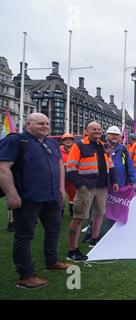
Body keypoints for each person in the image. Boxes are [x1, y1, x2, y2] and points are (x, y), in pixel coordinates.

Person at [0, 112, 71, 289]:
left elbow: (60, 165)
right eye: (40, 124)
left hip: (51, 197)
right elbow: (3, 167)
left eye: (47, 123)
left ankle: (52, 261)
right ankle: (26, 276)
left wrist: (61, 189)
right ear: (28, 124)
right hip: (28, 198)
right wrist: (11, 194)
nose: (45, 126)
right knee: (24, 235)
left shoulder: (53, 143)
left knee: (53, 230)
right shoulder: (16, 140)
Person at [66, 122, 119, 261]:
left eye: (99, 129)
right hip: (86, 187)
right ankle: (73, 251)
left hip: (102, 186)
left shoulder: (103, 145)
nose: (97, 131)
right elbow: (70, 168)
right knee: (79, 217)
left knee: (99, 213)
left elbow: (110, 165)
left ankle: (94, 239)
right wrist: (81, 186)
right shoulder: (79, 145)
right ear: (86, 131)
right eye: (93, 129)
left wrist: (114, 181)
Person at [100, 126, 136, 236]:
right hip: (103, 184)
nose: (114, 137)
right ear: (107, 135)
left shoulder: (123, 149)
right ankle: (100, 234)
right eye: (112, 134)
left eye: (116, 135)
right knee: (101, 209)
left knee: (117, 209)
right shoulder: (101, 148)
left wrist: (133, 182)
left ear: (119, 136)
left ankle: (115, 234)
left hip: (120, 184)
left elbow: (130, 166)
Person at [60, 133, 77, 216]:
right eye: (66, 140)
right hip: (62, 175)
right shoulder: (59, 150)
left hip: (73, 174)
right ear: (63, 141)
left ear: (72, 141)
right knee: (61, 193)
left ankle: (72, 210)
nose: (68, 141)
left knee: (73, 193)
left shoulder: (76, 149)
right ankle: (60, 211)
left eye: (70, 139)